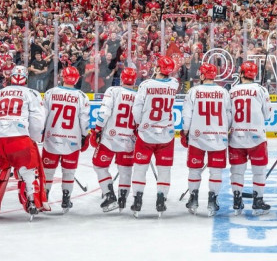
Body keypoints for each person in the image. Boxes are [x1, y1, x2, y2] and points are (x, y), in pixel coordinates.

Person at [0, 66, 48, 221]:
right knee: (28, 170)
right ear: (26, 79)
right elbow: (37, 121)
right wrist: (34, 137)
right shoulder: (32, 93)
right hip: (19, 138)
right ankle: (32, 202)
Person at [130, 56, 179, 217]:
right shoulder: (174, 84)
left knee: (140, 168)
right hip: (166, 134)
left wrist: (139, 125)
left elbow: (136, 108)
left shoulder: (146, 85)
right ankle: (161, 198)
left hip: (146, 133)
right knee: (164, 169)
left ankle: (137, 198)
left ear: (158, 69)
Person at [181, 63, 232, 216]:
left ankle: (194, 197)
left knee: (194, 169)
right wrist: (225, 130)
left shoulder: (193, 91)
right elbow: (229, 115)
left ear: (202, 76)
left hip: (197, 137)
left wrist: (185, 132)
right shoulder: (223, 92)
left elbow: (186, 115)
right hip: (218, 137)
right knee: (216, 171)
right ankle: (212, 199)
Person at [42, 66, 91, 213]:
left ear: (63, 77)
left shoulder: (50, 93)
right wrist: (84, 136)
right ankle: (66, 199)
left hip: (51, 139)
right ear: (76, 79)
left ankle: (43, 198)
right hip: (72, 141)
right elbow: (84, 122)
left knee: (48, 172)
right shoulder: (82, 96)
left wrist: (41, 133)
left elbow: (42, 117)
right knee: (68, 172)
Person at [91, 67, 139, 212]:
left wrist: (97, 129)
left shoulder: (113, 91)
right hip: (129, 140)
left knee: (99, 166)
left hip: (109, 138)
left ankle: (109, 195)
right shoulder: (139, 96)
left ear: (122, 79)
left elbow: (104, 112)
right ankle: (123, 199)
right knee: (125, 169)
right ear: (135, 80)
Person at [228, 61, 272, 215]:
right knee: (259, 172)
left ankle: (237, 200)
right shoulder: (261, 90)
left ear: (241, 74)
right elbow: (268, 115)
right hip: (256, 138)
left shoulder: (232, 90)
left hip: (236, 137)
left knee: (237, 172)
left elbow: (227, 116)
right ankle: (258, 200)